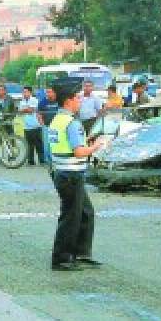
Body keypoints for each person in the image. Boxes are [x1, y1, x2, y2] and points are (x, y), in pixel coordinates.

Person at [47, 78, 108, 272]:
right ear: (68, 101)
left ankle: (81, 253)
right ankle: (62, 258)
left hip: (62, 174)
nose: (79, 101)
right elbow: (79, 151)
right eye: (77, 98)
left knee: (85, 213)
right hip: (71, 175)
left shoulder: (57, 120)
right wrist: (97, 146)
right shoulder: (72, 123)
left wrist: (86, 141)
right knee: (70, 217)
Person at [18, 86, 47, 166]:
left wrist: (25, 110)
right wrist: (26, 110)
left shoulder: (34, 100)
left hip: (36, 126)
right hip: (27, 126)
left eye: (26, 92)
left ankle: (42, 160)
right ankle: (31, 161)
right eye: (23, 92)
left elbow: (31, 110)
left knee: (39, 145)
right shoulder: (22, 102)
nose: (24, 93)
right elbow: (20, 112)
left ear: (30, 92)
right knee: (29, 145)